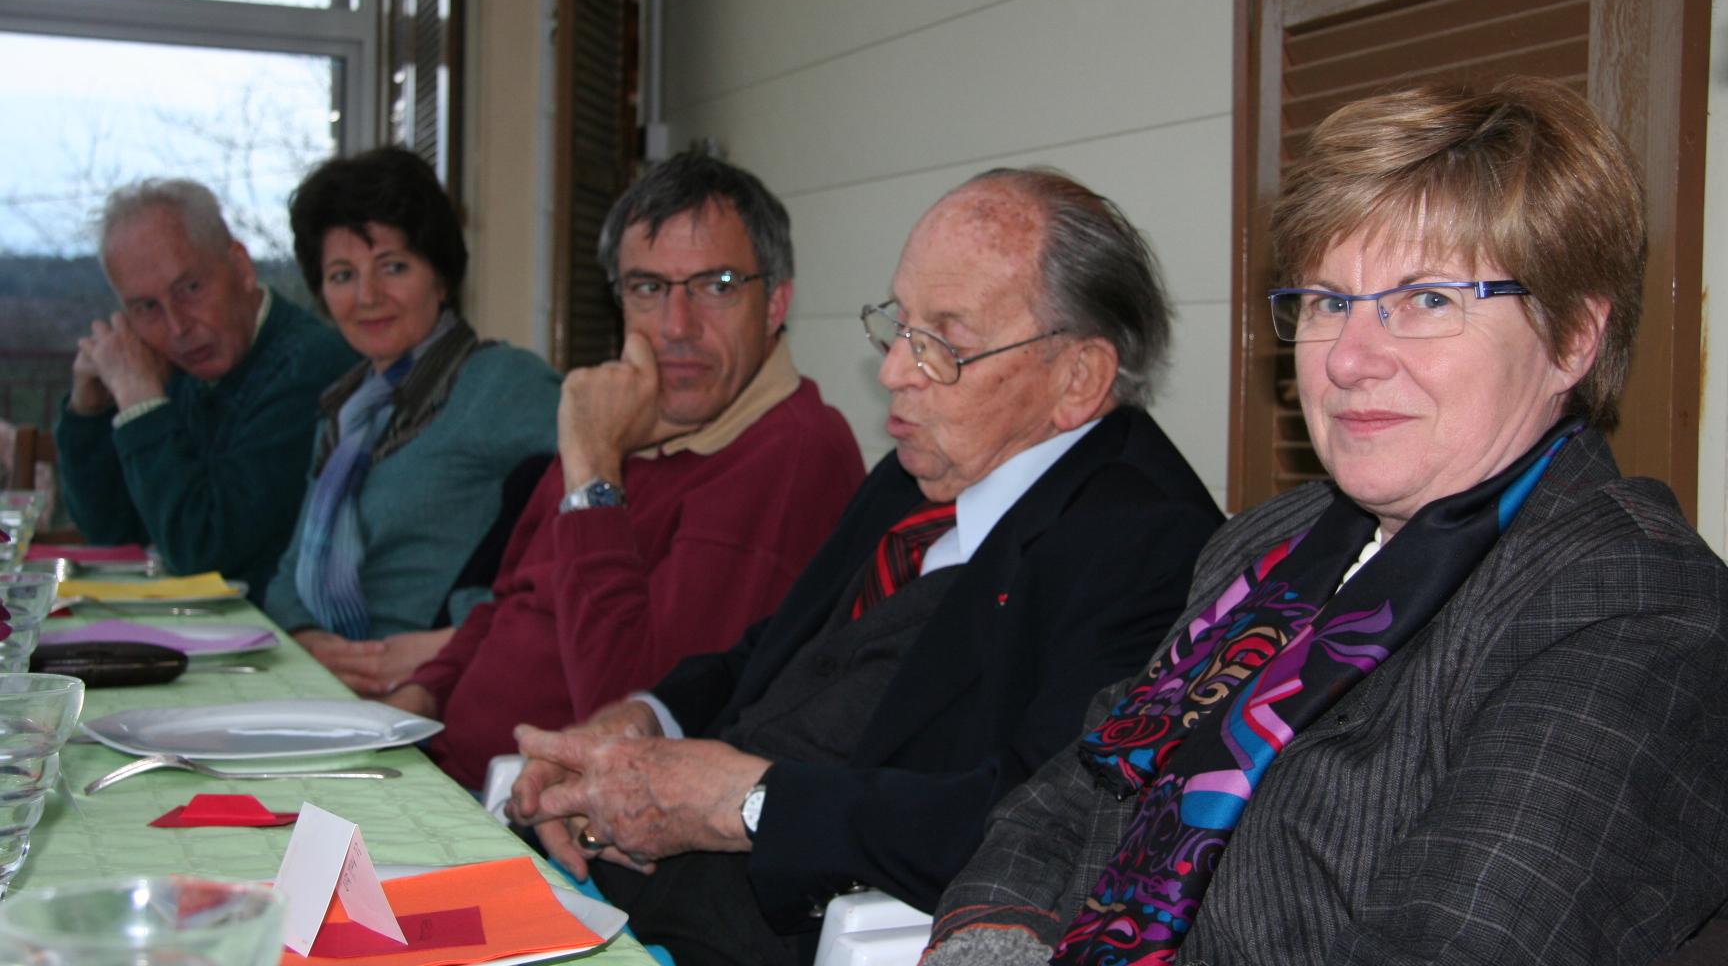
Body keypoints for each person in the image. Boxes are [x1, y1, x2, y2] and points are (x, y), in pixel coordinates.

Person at [922, 79, 1728, 966]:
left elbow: (1454, 943)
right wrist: (992, 944)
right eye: (1326, 302)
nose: (1347, 358)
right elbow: (1076, 791)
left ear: (1573, 336)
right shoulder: (1273, 543)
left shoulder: (1629, 600)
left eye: (1426, 301)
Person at [509, 167, 1224, 966]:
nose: (892, 373)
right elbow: (775, 649)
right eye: (899, 325)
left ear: (1078, 378)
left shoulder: (1149, 548)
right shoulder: (927, 462)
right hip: (647, 892)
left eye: (943, 342)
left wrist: (744, 803)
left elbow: (1052, 825)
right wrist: (645, 720)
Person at [383, 152, 865, 789]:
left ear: (775, 303)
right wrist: (420, 699)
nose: (676, 326)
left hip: (549, 827)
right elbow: (508, 605)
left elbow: (630, 710)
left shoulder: (789, 451)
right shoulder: (623, 412)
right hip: (441, 773)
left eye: (716, 286)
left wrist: (592, 475)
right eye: (648, 288)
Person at [263, 147, 561, 694]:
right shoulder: (345, 411)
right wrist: (310, 641)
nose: (367, 296)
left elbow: (608, 519)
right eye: (342, 275)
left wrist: (465, 635)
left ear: (441, 278)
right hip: (329, 690)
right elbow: (288, 577)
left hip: (438, 697)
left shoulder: (502, 383)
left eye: (393, 267)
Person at [55, 180, 357, 598]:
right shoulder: (178, 368)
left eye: (191, 288)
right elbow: (114, 534)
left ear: (241, 267)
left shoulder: (310, 367)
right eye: (147, 307)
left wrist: (142, 406)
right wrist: (89, 415)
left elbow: (206, 552)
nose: (178, 327)